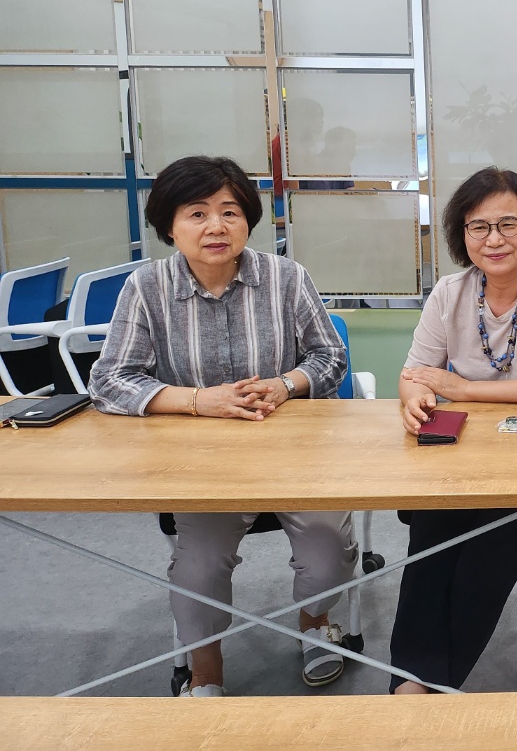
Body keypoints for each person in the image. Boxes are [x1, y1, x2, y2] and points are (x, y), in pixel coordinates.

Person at [87, 156, 353, 696]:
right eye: (197, 213)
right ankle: (205, 669)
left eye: (230, 212)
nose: (216, 226)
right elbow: (109, 379)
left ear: (247, 221)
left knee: (328, 552)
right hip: (201, 465)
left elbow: (331, 357)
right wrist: (195, 401)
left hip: (291, 454)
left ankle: (315, 624)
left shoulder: (286, 278)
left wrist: (286, 384)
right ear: (169, 226)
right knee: (199, 568)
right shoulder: (147, 286)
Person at [391, 166, 517, 693]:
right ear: (463, 235)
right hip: (463, 456)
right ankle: (410, 684)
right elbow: (413, 373)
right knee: (429, 538)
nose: (494, 239)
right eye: (479, 226)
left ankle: (427, 686)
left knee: (488, 546)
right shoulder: (449, 292)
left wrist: (461, 388)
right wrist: (416, 399)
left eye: (508, 224)